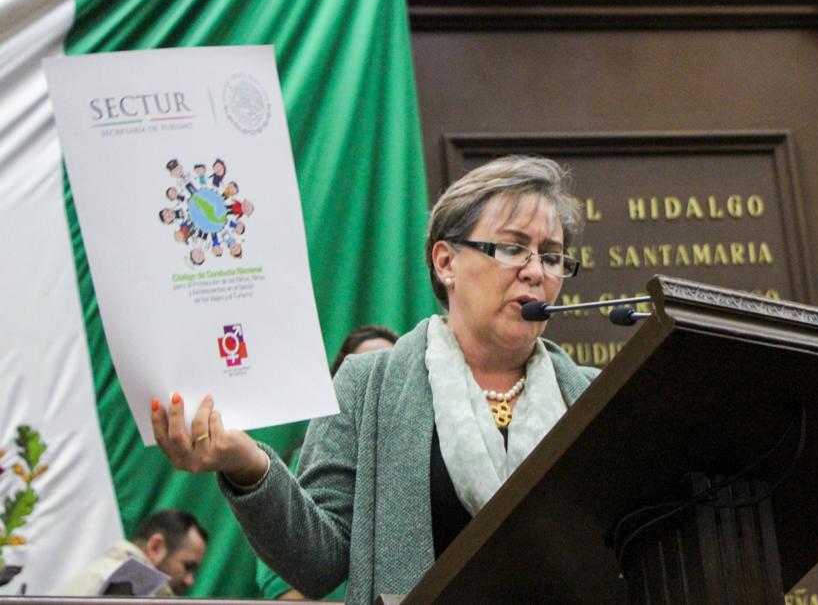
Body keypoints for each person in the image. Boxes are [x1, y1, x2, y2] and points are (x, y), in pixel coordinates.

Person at [151, 155, 597, 605]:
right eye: (512, 248)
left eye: (552, 256)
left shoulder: (594, 398)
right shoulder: (367, 385)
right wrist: (248, 466)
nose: (536, 271)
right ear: (446, 262)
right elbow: (317, 564)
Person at [256, 324, 399, 601]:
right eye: (366, 376)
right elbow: (285, 582)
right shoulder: (304, 463)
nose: (377, 385)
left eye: (389, 373)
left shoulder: (419, 458)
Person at [51, 509, 207, 596]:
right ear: (155, 547)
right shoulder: (110, 587)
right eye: (188, 567)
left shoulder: (96, 578)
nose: (189, 581)